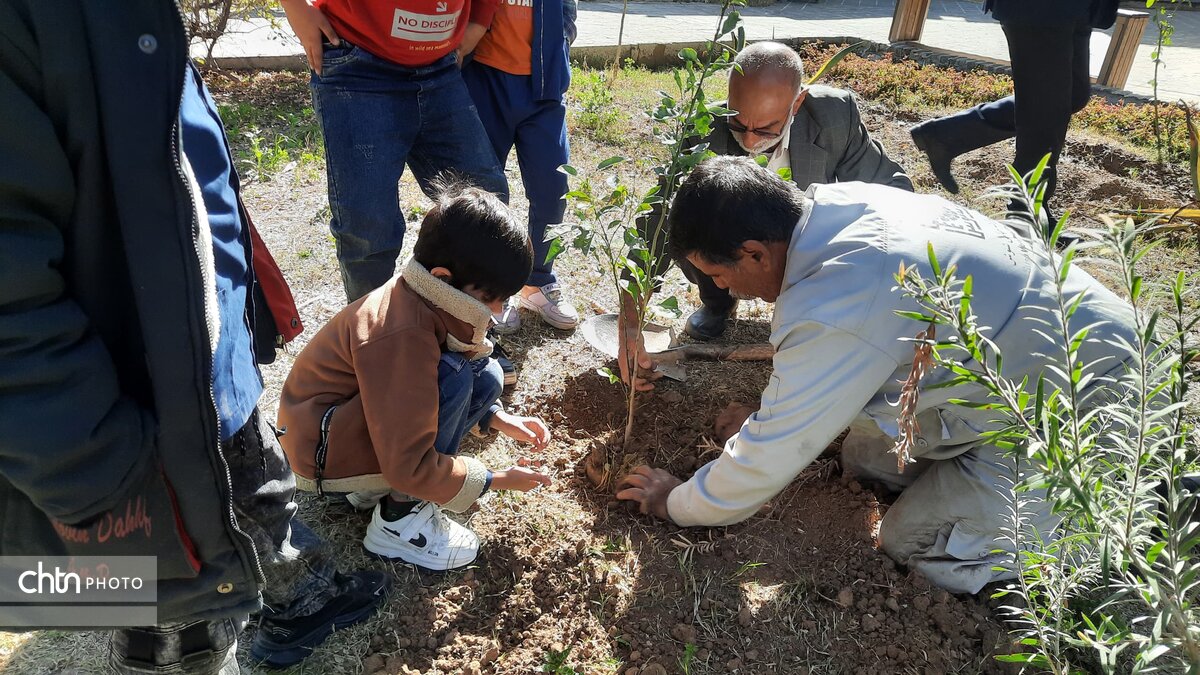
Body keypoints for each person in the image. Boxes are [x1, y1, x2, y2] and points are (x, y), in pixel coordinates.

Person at [0, 3, 387, 673]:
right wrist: (111, 485)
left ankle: (297, 596)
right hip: (134, 440)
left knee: (256, 488)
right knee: (177, 625)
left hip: (204, 372)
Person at [616, 156, 1137, 594]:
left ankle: (1100, 519)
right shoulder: (838, 208)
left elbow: (767, 460)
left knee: (909, 541)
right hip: (1017, 370)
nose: (724, 289)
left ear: (756, 251)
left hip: (1087, 405)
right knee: (864, 457)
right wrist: (778, 415)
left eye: (717, 273)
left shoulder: (842, 298)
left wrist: (677, 503)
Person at [277, 183, 553, 573]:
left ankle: (372, 489)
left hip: (343, 430)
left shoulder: (422, 297)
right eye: (491, 298)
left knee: (485, 373)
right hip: (322, 454)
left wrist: (496, 417)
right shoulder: (400, 335)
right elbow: (410, 462)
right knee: (455, 377)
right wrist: (496, 479)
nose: (495, 311)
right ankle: (397, 523)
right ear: (442, 277)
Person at [617, 40, 911, 369]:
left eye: (766, 128)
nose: (751, 141)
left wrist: (859, 258)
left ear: (797, 102)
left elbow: (893, 191)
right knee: (694, 234)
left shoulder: (833, 115)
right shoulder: (704, 128)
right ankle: (717, 303)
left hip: (808, 244)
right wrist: (630, 323)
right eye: (739, 125)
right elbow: (659, 222)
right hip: (737, 244)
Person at [280, 0, 511, 303]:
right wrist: (295, 7)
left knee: (485, 207)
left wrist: (479, 21)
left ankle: (459, 328)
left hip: (441, 66)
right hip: (357, 62)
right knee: (368, 230)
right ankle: (375, 340)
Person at [909, 0, 1119, 227]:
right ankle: (1025, 213)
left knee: (1071, 96)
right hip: (1041, 9)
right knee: (1045, 110)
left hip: (1076, 8)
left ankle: (945, 135)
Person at [463, 0, 582, 334]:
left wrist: (560, 43)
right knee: (485, 193)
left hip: (542, 87)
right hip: (484, 78)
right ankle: (489, 287)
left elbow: (566, 12)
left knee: (553, 187)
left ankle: (538, 280)